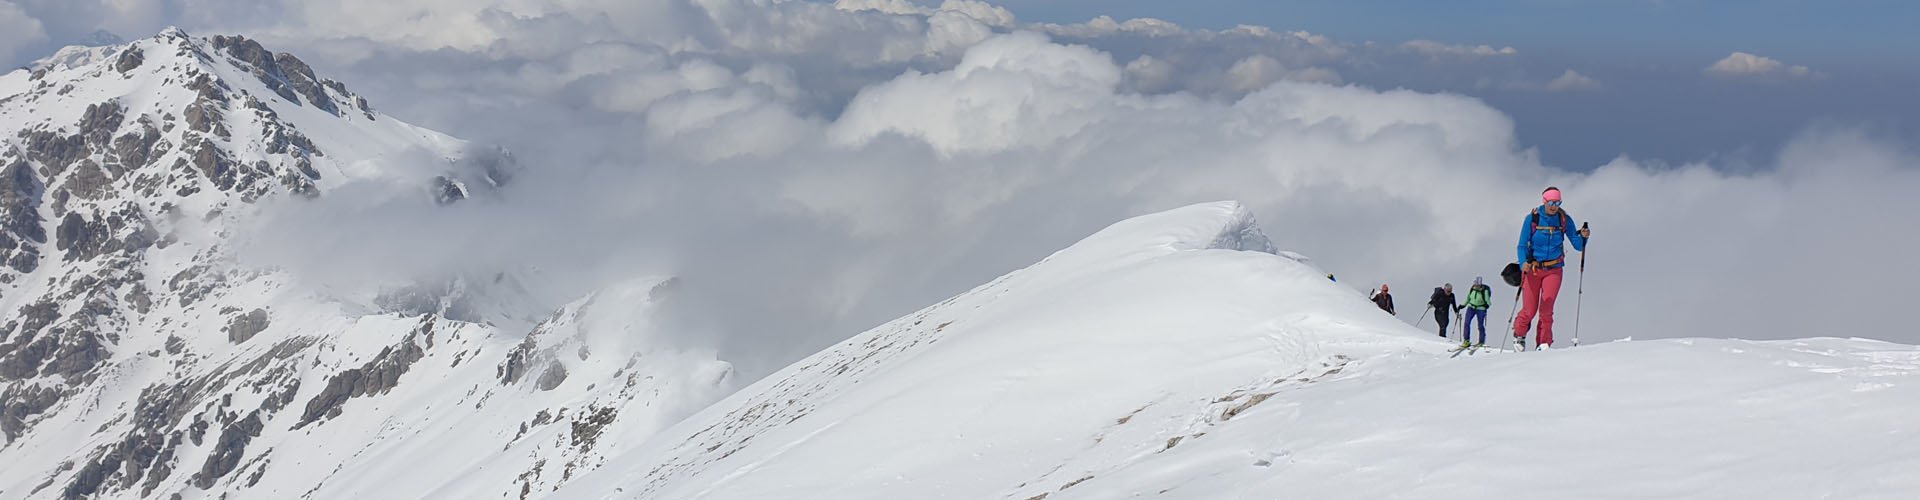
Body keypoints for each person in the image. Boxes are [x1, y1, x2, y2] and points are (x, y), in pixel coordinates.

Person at [1514, 186, 1591, 350]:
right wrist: (1523, 264)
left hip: (1554, 269)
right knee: (1529, 310)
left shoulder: (1564, 219)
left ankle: (1543, 343)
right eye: (1551, 202)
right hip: (1533, 269)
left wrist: (1583, 237)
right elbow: (1521, 246)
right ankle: (1519, 336)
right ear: (1544, 201)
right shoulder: (1532, 219)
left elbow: (1577, 245)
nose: (1554, 206)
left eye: (1557, 202)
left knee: (1547, 310)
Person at [1462, 277, 1492, 347]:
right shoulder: (1472, 289)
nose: (1476, 286)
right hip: (1471, 307)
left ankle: (1481, 341)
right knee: (1467, 323)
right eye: (1475, 284)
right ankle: (1466, 340)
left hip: (1481, 309)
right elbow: (1468, 298)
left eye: (1477, 285)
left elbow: (1488, 300)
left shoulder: (1484, 290)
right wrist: (1463, 305)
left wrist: (1487, 306)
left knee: (1480, 325)